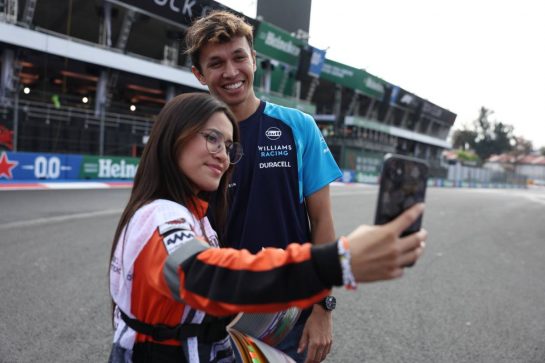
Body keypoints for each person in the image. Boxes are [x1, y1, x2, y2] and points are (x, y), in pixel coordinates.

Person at [108, 92, 427, 363]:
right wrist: (338, 260)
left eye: (229, 146)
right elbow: (205, 276)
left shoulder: (196, 216)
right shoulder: (159, 216)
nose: (222, 154)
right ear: (174, 137)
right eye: (212, 138)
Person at [185, 11, 343, 362]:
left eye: (239, 57)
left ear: (254, 60)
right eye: (215, 63)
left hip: (287, 322)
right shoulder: (189, 141)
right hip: (210, 317)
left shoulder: (298, 127)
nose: (230, 72)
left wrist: (323, 307)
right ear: (199, 74)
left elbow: (323, 224)